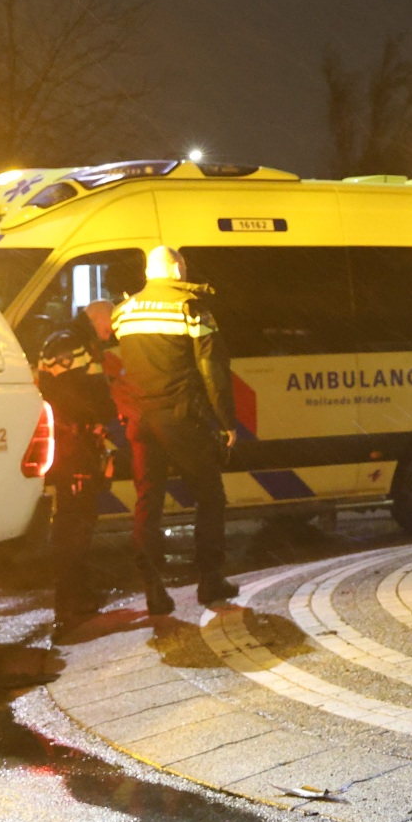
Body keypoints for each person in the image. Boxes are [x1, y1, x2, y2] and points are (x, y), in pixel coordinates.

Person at [110, 245, 238, 613]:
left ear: (149, 273)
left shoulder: (124, 312)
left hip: (141, 422)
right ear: (177, 270)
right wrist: (226, 421)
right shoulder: (191, 309)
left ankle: (153, 589)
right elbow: (213, 368)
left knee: (148, 506)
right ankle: (210, 581)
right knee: (210, 497)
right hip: (181, 419)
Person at [36, 301, 118, 636]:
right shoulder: (73, 345)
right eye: (110, 324)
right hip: (74, 446)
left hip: (73, 443)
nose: (112, 332)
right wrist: (103, 415)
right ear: (97, 319)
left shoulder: (64, 339)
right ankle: (70, 600)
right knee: (76, 522)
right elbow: (80, 396)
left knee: (78, 518)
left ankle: (77, 593)